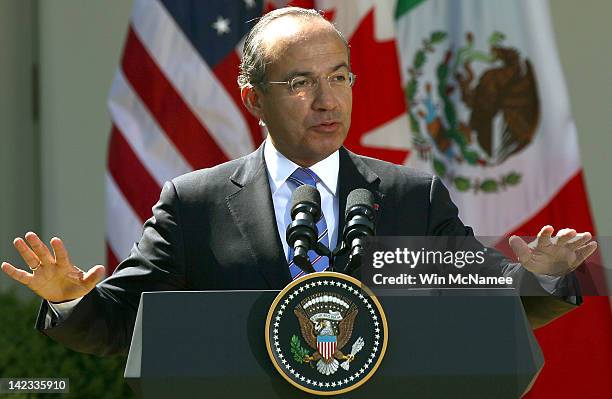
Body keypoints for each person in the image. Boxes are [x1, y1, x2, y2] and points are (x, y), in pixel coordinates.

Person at [0, 7, 597, 356]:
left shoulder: (413, 199)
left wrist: (540, 277)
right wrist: (68, 297)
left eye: (339, 77)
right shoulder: (196, 205)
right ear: (253, 98)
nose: (326, 99)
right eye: (300, 83)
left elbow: (484, 307)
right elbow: (119, 321)